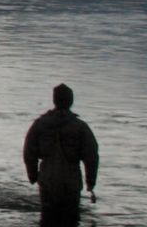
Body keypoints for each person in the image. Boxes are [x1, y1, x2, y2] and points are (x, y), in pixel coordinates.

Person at [23, 83, 99, 214]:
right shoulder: (80, 127)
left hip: (47, 179)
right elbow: (91, 157)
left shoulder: (40, 124)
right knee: (71, 221)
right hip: (71, 181)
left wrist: (33, 175)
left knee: (47, 220)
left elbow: (29, 152)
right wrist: (90, 183)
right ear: (71, 101)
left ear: (54, 100)